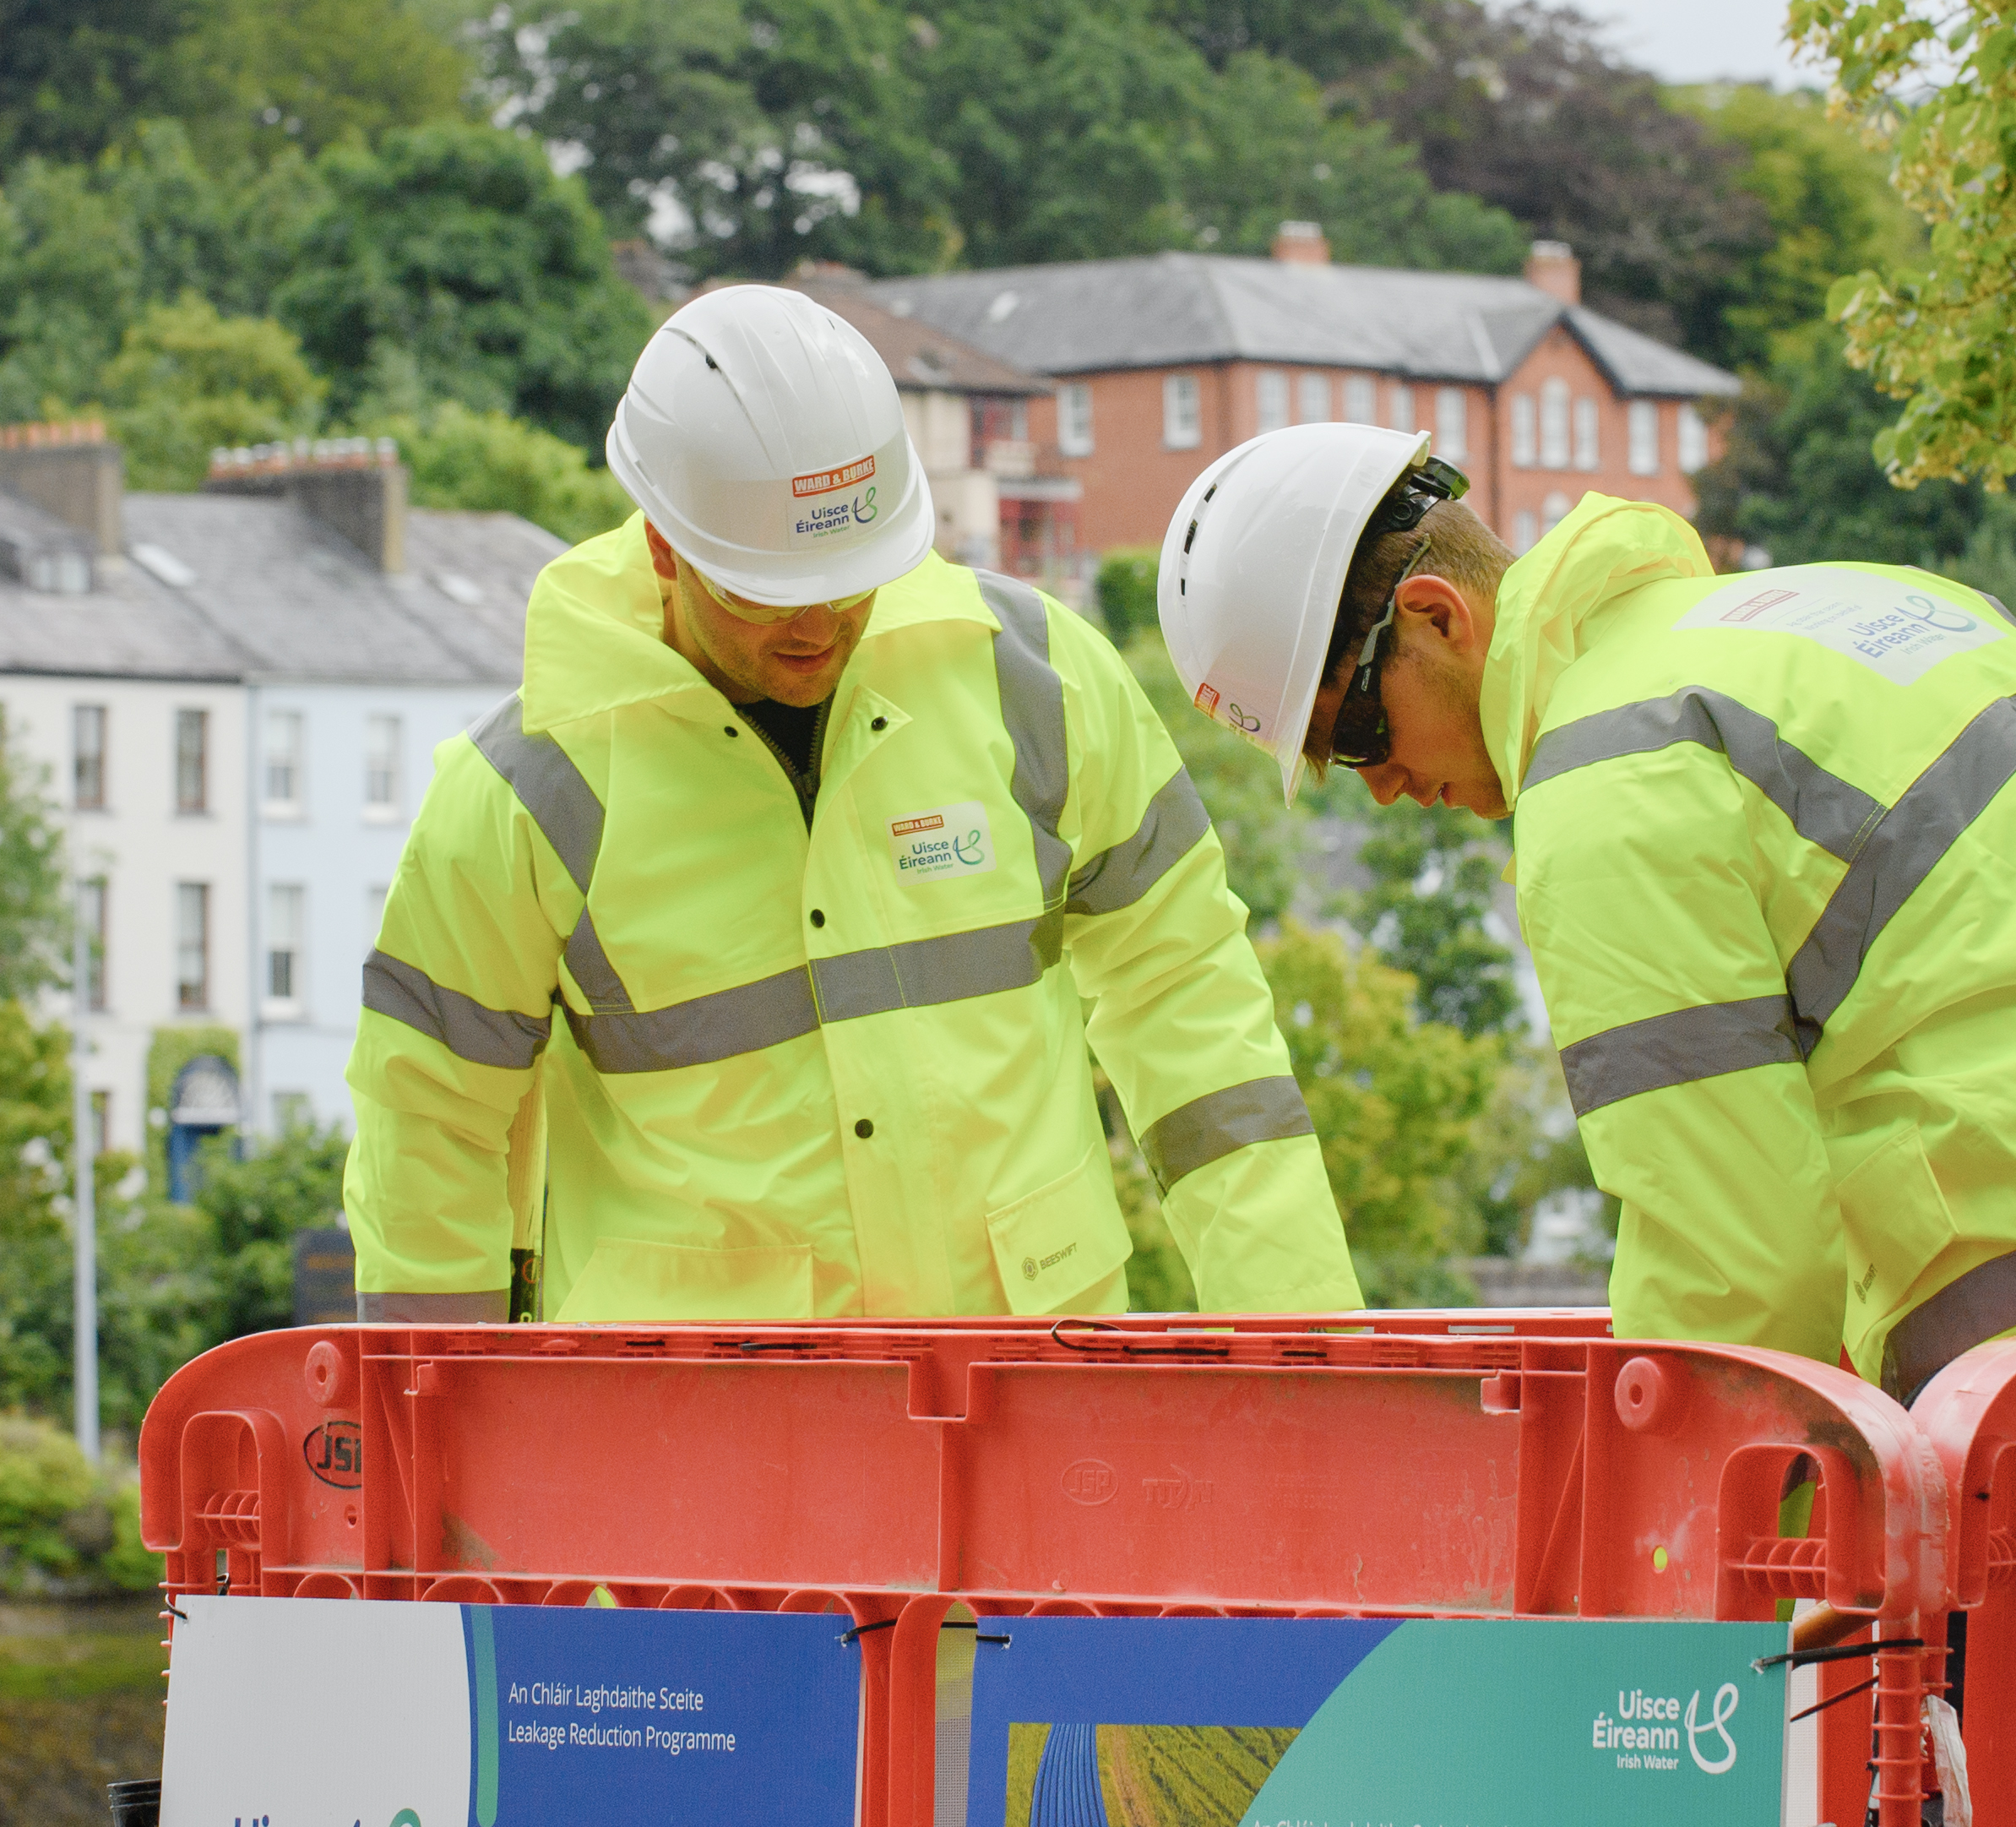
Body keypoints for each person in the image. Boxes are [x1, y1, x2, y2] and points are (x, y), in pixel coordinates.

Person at [1154, 427, 2016, 1398]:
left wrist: (1661, 1577)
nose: (1379, 788)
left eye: (1354, 730)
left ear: (1436, 619)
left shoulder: (1608, 773)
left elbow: (1735, 1259)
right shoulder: (1851, 605)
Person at [345, 287, 1356, 1324]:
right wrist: (434, 1455)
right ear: (663, 546)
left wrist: (1302, 1340)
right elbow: (432, 1134)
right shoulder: (531, 789)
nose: (820, 624)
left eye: (851, 577)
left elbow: (1189, 1004)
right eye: (769, 591)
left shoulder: (1036, 683)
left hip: (1022, 1382)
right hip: (706, 1434)